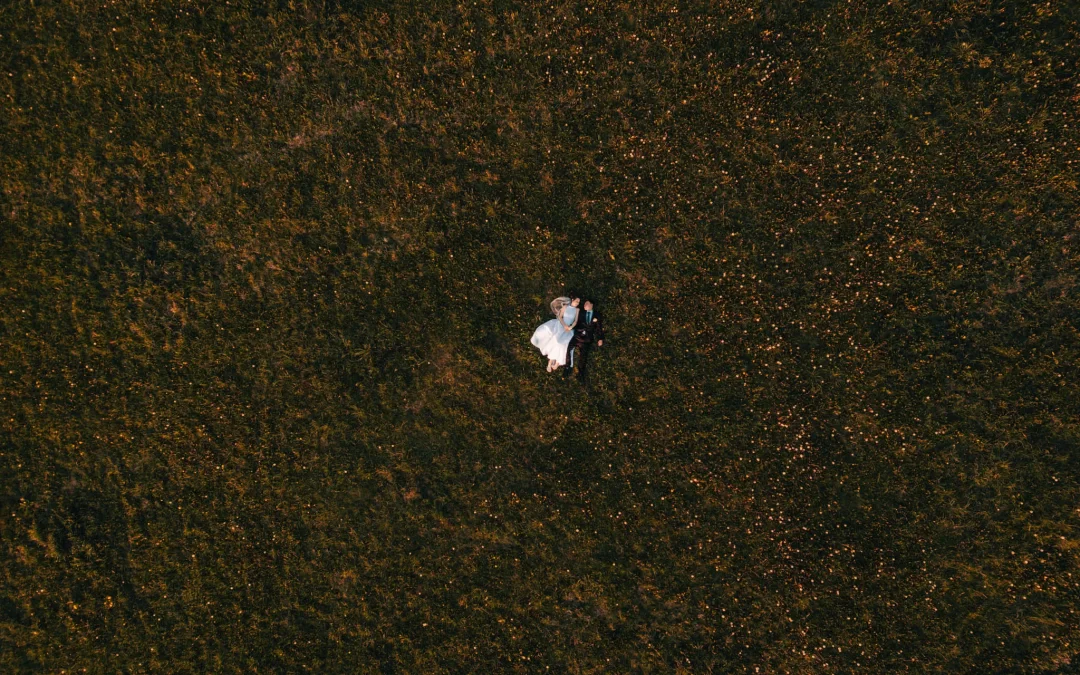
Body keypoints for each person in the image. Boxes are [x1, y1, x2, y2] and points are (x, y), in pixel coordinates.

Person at [530, 296, 580, 372]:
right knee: (556, 342)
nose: (577, 303)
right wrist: (564, 325)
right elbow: (560, 317)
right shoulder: (566, 307)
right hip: (561, 325)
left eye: (578, 302)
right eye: (576, 301)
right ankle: (550, 362)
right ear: (572, 300)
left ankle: (557, 362)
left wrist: (570, 327)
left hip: (569, 329)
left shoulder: (577, 310)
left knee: (564, 345)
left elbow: (575, 321)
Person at [564, 298, 604, 383]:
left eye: (587, 303)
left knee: (583, 356)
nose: (584, 305)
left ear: (591, 305)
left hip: (587, 339)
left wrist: (600, 338)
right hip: (578, 336)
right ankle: (568, 366)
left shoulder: (597, 314)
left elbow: (599, 328)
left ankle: (580, 373)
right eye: (584, 303)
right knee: (569, 349)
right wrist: (570, 327)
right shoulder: (581, 312)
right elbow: (576, 322)